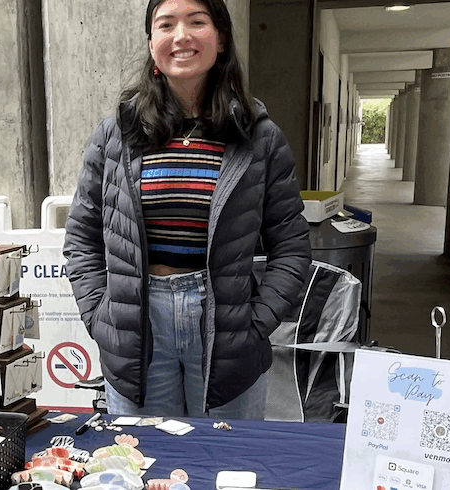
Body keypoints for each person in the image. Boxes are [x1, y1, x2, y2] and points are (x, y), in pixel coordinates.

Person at [63, 0, 311, 419]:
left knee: (226, 469)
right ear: (152, 42)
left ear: (221, 39)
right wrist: (101, 318)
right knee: (142, 465)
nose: (181, 36)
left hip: (225, 330)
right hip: (138, 330)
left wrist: (256, 325)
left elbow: (292, 246)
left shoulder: (259, 137)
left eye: (197, 22)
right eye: (166, 24)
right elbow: (82, 237)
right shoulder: (117, 134)